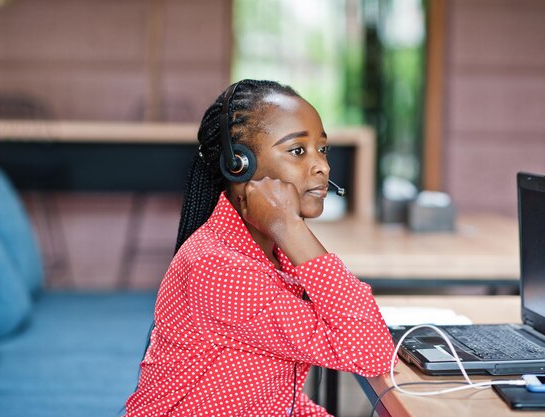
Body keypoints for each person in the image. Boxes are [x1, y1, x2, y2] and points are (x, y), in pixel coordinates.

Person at [124, 79, 395, 417]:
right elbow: (370, 351)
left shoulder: (265, 249)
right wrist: (290, 226)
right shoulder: (220, 268)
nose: (322, 166)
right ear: (240, 165)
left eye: (322, 149)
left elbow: (273, 397)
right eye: (298, 151)